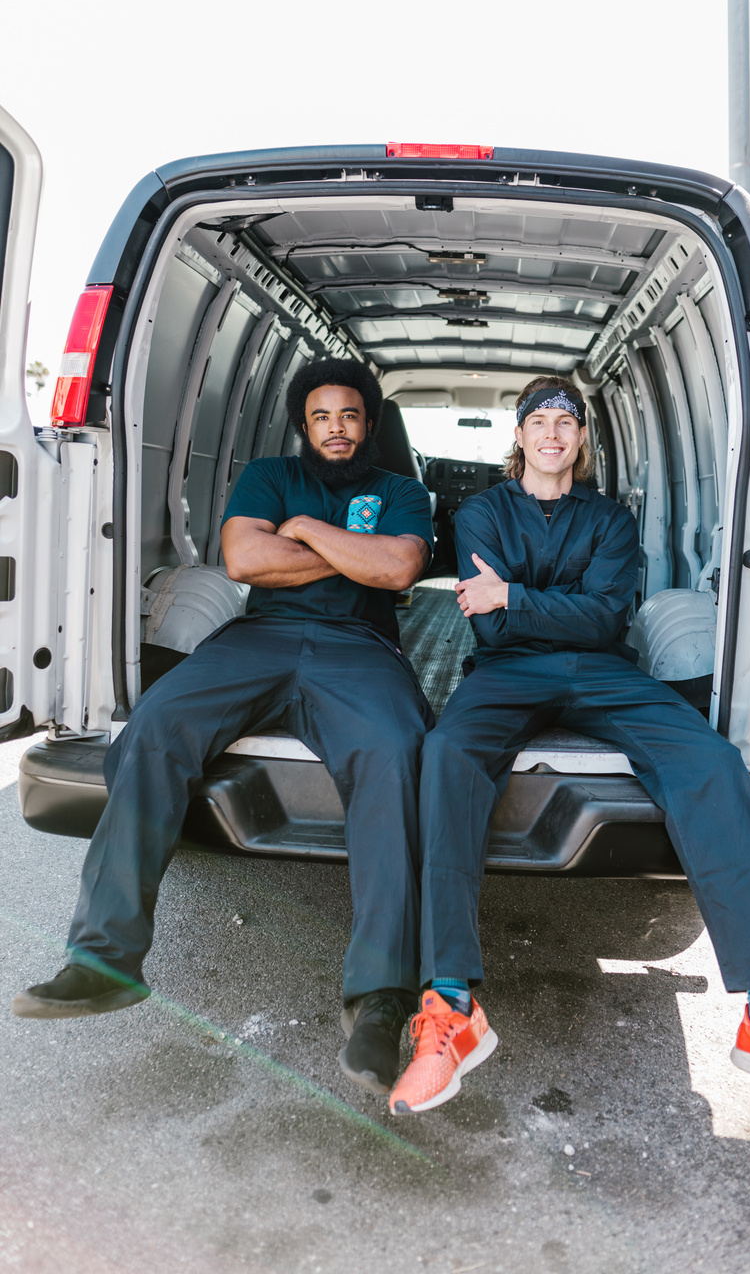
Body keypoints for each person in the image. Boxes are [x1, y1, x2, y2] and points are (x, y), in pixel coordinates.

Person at [387, 374, 750, 1115]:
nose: (553, 433)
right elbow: (490, 629)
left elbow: (601, 620)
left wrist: (516, 597)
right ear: (518, 436)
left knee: (711, 760)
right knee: (447, 753)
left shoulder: (610, 519)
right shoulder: (484, 512)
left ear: (582, 439)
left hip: (603, 672)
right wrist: (544, 611)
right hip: (504, 672)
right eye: (539, 421)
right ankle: (451, 1007)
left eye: (567, 421)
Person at [14, 358, 435, 1098]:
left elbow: (399, 569)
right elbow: (245, 557)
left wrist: (301, 536)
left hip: (360, 650)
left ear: (369, 423)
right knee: (154, 724)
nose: (336, 428)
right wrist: (344, 554)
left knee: (396, 751)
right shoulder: (268, 477)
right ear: (304, 425)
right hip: (257, 639)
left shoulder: (401, 491)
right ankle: (103, 959)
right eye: (321, 416)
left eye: (350, 415)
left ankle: (380, 1000)